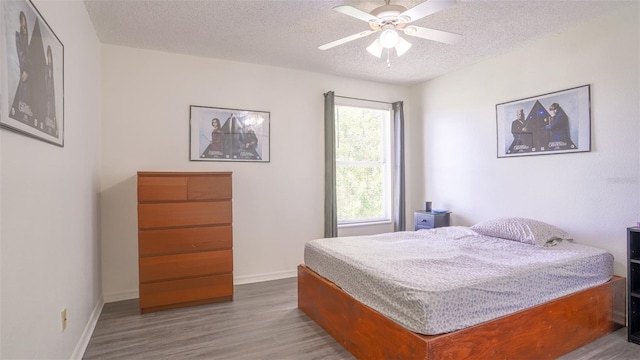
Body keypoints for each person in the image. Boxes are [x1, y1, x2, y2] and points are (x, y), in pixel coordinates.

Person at [14, 11, 32, 116]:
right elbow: (21, 54)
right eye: (23, 26)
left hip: (27, 70)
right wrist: (25, 70)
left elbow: (27, 55)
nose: (25, 29)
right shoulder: (19, 36)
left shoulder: (25, 37)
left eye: (26, 26)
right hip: (24, 71)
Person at [44, 45, 58, 137]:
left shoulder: (53, 70)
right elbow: (46, 82)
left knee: (52, 112)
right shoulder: (46, 68)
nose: (50, 59)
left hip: (52, 96)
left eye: (50, 56)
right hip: (48, 95)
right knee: (49, 111)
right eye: (48, 56)